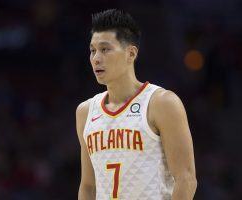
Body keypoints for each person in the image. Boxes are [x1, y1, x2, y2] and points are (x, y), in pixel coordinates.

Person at [76, 9, 197, 200]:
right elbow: (88, 186)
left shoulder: (162, 103)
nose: (96, 58)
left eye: (105, 49)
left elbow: (186, 179)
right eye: (93, 50)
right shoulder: (85, 111)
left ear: (131, 53)